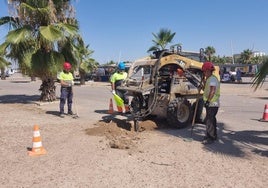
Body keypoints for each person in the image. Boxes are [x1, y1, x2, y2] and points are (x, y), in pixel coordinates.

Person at [201, 61, 220, 144]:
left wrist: (208, 101)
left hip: (212, 103)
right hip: (212, 103)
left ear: (208, 71)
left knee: (209, 121)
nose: (204, 73)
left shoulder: (212, 79)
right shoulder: (210, 79)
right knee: (212, 120)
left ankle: (210, 138)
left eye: (204, 71)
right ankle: (213, 135)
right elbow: (207, 89)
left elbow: (212, 91)